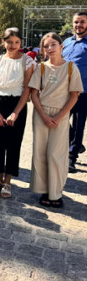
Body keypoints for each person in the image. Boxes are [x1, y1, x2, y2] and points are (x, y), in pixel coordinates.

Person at [29, 33, 83, 208]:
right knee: (40, 153)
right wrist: (44, 116)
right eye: (46, 46)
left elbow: (74, 95)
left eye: (53, 44)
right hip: (41, 114)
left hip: (61, 115)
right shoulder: (41, 68)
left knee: (56, 154)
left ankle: (56, 192)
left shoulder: (71, 68)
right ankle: (44, 189)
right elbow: (34, 93)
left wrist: (59, 117)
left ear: (61, 46)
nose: (50, 48)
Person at [0, 28, 34, 198]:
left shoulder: (27, 62)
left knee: (14, 144)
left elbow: (27, 89)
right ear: (3, 42)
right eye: (9, 42)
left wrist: (15, 113)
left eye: (16, 42)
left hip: (17, 104)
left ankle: (8, 181)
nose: (12, 45)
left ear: (20, 43)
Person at [62, 12, 87, 173]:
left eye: (82, 22)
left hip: (83, 92)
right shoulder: (66, 42)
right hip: (63, 90)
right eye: (76, 22)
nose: (79, 25)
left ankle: (71, 157)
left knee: (78, 125)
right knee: (62, 120)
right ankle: (75, 143)